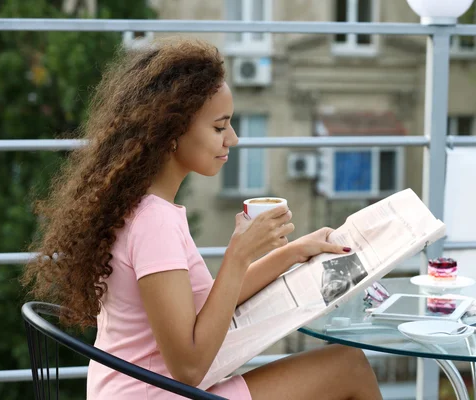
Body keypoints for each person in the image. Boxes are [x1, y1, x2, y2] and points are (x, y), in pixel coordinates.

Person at [22, 39, 382, 400]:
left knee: (342, 364)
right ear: (172, 130)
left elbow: (202, 305)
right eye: (219, 127)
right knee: (348, 366)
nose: (234, 139)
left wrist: (294, 253)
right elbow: (189, 369)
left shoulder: (137, 206)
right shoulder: (154, 222)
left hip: (128, 389)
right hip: (157, 393)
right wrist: (239, 254)